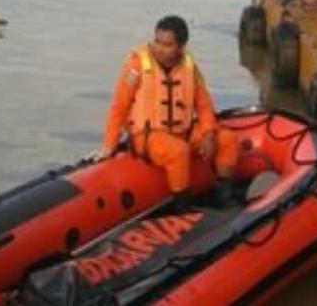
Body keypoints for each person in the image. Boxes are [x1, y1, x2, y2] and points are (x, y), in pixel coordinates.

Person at [99, 16, 240, 208]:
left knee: (227, 139)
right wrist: (109, 146)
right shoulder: (137, 66)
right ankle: (181, 205)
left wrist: (208, 133)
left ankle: (224, 197)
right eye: (157, 41)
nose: (159, 48)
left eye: (167, 44)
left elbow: (204, 105)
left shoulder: (189, 68)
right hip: (148, 136)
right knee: (178, 151)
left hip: (182, 131)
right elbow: (119, 107)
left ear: (181, 47)